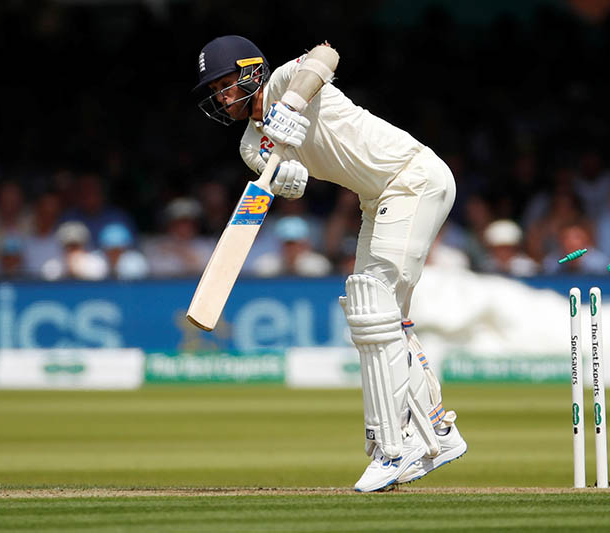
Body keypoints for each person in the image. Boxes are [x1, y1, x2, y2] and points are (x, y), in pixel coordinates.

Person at [194, 35, 466, 491]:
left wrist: (292, 105)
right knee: (376, 319)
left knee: (373, 306)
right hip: (375, 199)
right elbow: (288, 180)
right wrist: (284, 172)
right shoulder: (249, 146)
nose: (221, 97)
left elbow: (326, 54)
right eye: (215, 90)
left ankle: (392, 448)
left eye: (225, 84)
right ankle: (439, 430)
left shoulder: (285, 79)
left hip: (412, 178)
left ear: (250, 72)